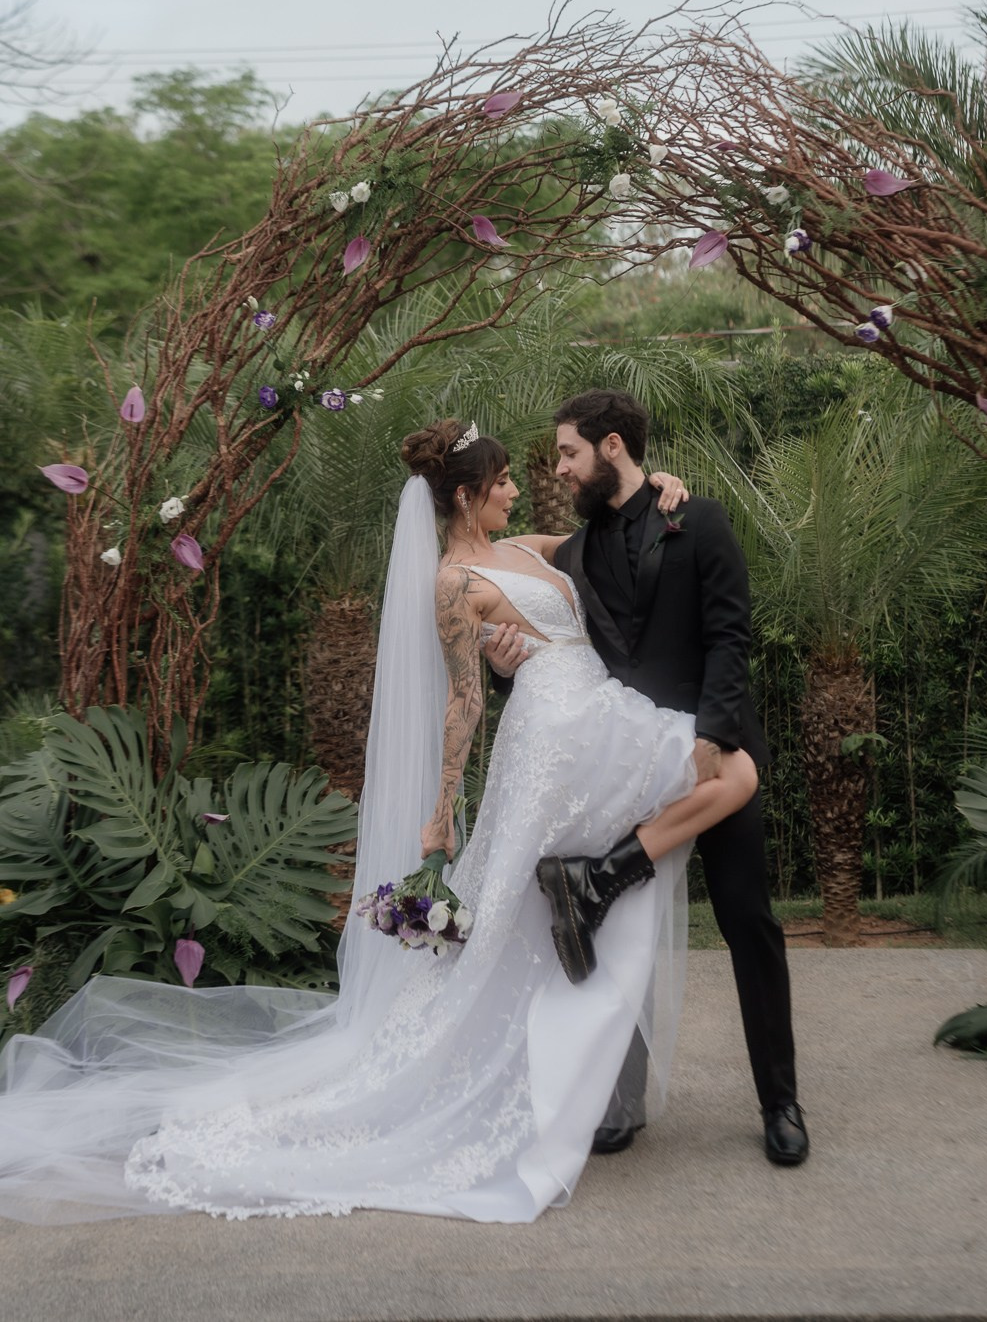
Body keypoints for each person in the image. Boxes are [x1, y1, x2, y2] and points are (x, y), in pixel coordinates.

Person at [0, 419, 756, 1225]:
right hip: (558, 734)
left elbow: (609, 528)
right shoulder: (452, 583)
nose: (513, 489)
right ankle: (597, 893)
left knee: (514, 919)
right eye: (499, 480)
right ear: (466, 495)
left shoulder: (529, 544)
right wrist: (441, 813)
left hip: (592, 717)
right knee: (730, 775)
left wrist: (666, 489)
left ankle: (600, 888)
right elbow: (465, 703)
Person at [485, 390, 808, 1168]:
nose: (558, 468)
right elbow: (543, 631)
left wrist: (714, 735)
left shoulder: (697, 520)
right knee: (617, 929)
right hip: (619, 759)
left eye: (568, 453)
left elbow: (732, 634)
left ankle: (781, 1102)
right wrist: (503, 670)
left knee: (747, 921)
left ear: (615, 447)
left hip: (709, 752)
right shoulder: (575, 554)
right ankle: (621, 1103)